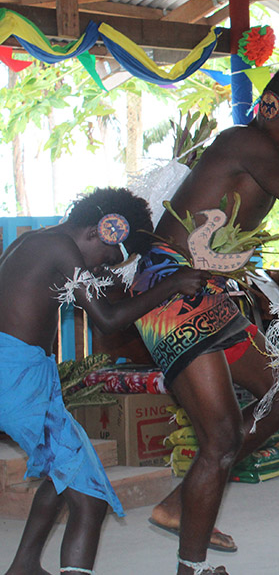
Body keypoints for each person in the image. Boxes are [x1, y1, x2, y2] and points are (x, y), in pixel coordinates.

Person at [132, 63, 279, 575]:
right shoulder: (243, 140)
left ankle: (180, 504)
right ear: (266, 108)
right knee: (219, 439)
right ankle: (190, 567)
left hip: (210, 294)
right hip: (169, 289)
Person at [0, 188, 208, 575]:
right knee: (89, 499)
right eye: (110, 257)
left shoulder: (38, 240)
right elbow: (108, 320)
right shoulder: (61, 249)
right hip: (15, 379)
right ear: (104, 229)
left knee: (66, 473)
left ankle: (24, 565)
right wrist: (172, 283)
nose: (104, 268)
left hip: (18, 374)